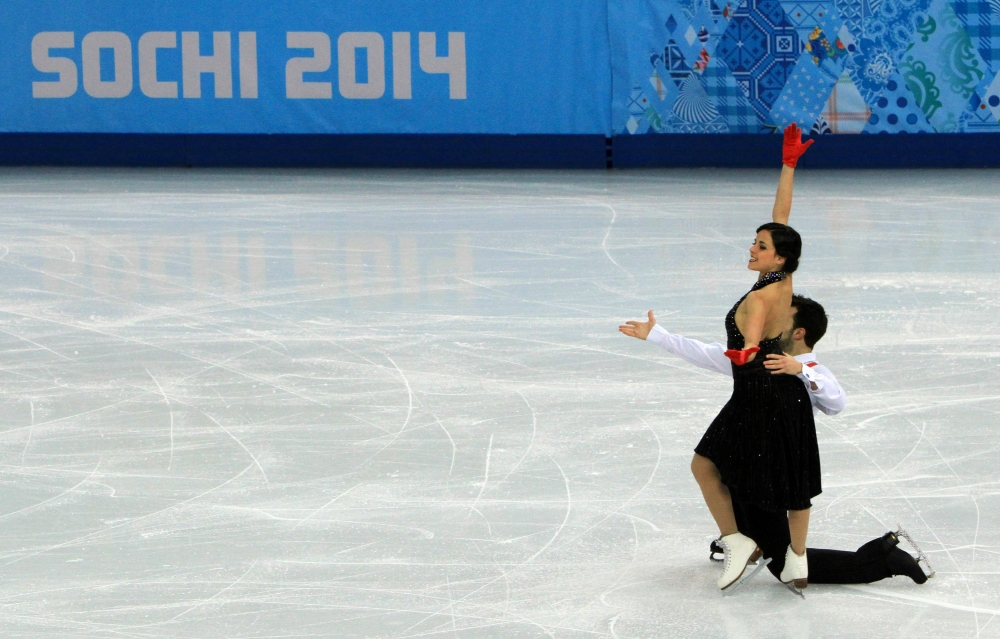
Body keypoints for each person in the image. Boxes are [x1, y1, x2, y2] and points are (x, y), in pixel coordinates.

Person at [621, 124, 816, 592]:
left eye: (760, 246)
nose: (752, 247)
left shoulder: (762, 299)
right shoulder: (780, 279)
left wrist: (745, 348)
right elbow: (781, 219)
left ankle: (739, 542)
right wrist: (788, 165)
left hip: (757, 399)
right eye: (756, 241)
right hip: (765, 393)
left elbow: (749, 337)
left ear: (778, 260)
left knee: (706, 467)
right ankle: (788, 558)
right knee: (768, 481)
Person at [621, 299, 934, 588]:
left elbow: (836, 402)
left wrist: (802, 371)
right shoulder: (760, 357)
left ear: (798, 332)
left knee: (782, 564)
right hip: (745, 458)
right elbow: (710, 354)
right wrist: (659, 335)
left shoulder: (811, 370)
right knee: (714, 471)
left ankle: (879, 557)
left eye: (779, 318)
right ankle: (745, 538)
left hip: (770, 471)